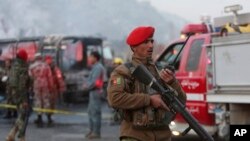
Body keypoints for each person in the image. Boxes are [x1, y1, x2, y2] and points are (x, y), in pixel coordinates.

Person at [107, 26, 187, 141]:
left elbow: (182, 101)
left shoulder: (160, 70)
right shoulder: (123, 71)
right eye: (145, 42)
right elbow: (115, 98)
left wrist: (172, 82)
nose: (151, 45)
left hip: (163, 136)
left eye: (151, 41)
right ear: (134, 47)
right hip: (135, 136)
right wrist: (149, 99)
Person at [6, 49, 32, 141]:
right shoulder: (22, 69)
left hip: (14, 94)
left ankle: (11, 135)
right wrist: (24, 99)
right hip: (21, 95)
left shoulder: (14, 67)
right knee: (23, 115)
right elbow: (22, 85)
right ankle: (22, 137)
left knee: (21, 114)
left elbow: (10, 82)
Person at [83, 51, 105, 139]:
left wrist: (86, 86)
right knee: (91, 111)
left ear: (95, 58)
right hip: (92, 92)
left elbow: (94, 82)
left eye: (90, 57)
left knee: (95, 112)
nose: (89, 59)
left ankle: (96, 132)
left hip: (96, 91)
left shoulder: (98, 68)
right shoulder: (95, 67)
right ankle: (92, 130)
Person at [29, 53, 54, 127]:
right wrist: (51, 86)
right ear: (41, 58)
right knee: (46, 100)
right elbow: (49, 77)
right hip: (45, 84)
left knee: (38, 100)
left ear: (35, 58)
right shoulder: (46, 66)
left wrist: (30, 87)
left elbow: (30, 78)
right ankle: (48, 117)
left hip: (36, 84)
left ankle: (39, 117)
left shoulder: (32, 67)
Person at [44, 55, 66, 121]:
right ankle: (49, 116)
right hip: (53, 87)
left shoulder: (43, 68)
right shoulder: (55, 68)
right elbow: (59, 78)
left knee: (46, 102)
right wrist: (62, 87)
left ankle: (46, 116)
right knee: (51, 102)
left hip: (46, 87)